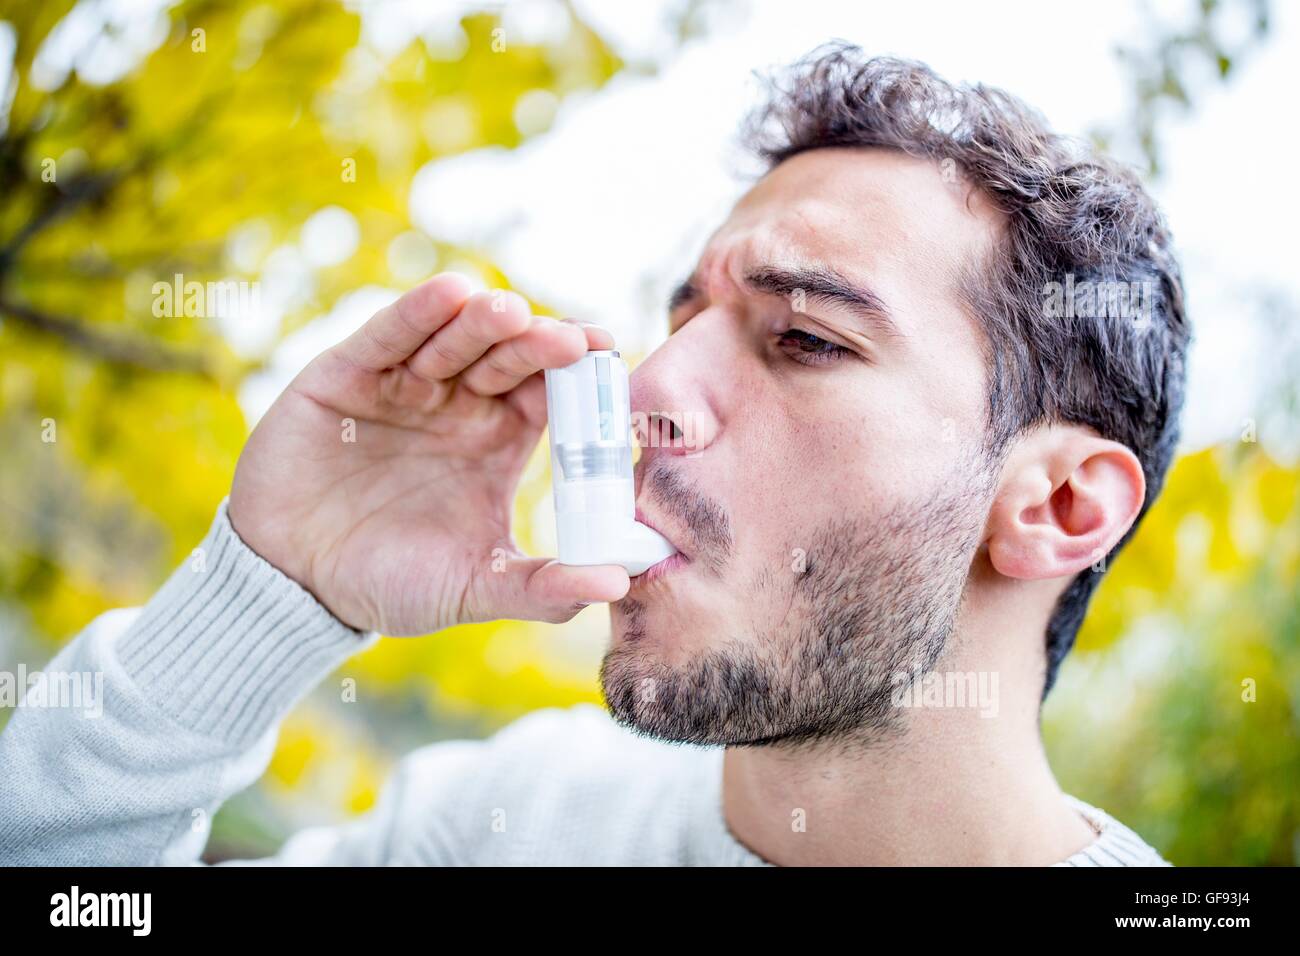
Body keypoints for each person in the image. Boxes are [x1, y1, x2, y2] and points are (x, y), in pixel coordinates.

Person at [0, 45, 1185, 866]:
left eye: (806, 338)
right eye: (679, 323)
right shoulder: (502, 818)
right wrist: (268, 590)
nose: (646, 390)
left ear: (1058, 503)